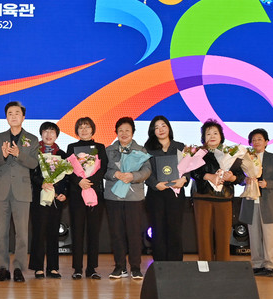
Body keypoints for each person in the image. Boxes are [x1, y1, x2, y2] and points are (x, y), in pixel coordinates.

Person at [0, 101, 39, 283]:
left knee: (22, 233)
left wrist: (19, 154)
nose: (14, 116)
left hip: (22, 191)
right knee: (1, 233)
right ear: (6, 117)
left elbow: (34, 163)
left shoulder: (32, 139)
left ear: (23, 117)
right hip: (1, 190)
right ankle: (2, 268)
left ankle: (18, 268)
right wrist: (2, 156)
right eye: (10, 113)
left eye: (17, 113)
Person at [189, 119, 245, 262]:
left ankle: (223, 267)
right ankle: (205, 266)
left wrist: (232, 177)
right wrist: (208, 176)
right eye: (208, 134)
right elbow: (193, 173)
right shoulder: (198, 153)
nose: (212, 136)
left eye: (215, 133)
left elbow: (240, 176)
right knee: (203, 235)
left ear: (221, 136)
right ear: (203, 137)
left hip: (224, 198)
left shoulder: (231, 153)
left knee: (223, 236)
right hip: (202, 197)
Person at [104, 117, 151, 280]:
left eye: (127, 130)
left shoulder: (141, 150)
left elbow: (147, 171)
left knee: (134, 233)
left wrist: (133, 176)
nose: (124, 133)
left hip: (134, 197)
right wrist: (114, 174)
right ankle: (120, 267)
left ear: (133, 132)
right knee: (116, 233)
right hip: (113, 196)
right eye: (120, 130)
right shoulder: (109, 150)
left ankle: (136, 267)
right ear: (116, 132)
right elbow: (102, 170)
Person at [238, 128, 273, 277]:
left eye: (259, 139)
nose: (256, 142)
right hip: (251, 202)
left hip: (269, 203)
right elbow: (238, 177)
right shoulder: (245, 157)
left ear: (266, 142)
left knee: (269, 238)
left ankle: (269, 266)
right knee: (254, 237)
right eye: (253, 140)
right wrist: (244, 180)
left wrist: (268, 184)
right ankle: (257, 264)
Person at [65, 117, 107, 280]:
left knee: (93, 232)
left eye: (87, 127)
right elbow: (68, 169)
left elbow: (103, 168)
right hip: (77, 194)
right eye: (81, 127)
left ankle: (91, 268)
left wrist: (89, 181)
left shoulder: (100, 147)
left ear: (92, 129)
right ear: (77, 130)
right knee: (77, 231)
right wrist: (79, 181)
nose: (84, 130)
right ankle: (77, 268)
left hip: (95, 194)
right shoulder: (71, 147)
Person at [143, 115, 187, 262]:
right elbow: (145, 171)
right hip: (156, 194)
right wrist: (155, 183)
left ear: (169, 128)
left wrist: (184, 179)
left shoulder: (180, 146)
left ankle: (176, 265)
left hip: (175, 194)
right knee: (158, 231)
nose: (160, 129)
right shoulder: (147, 149)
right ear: (152, 131)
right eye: (156, 127)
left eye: (163, 126)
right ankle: (160, 265)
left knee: (175, 230)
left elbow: (188, 168)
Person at [29, 122, 68, 279]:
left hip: (55, 199)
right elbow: (31, 173)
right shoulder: (34, 153)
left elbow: (66, 177)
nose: (48, 135)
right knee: (38, 232)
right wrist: (42, 183)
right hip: (39, 197)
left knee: (53, 233)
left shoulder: (62, 154)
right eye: (45, 131)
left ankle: (53, 267)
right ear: (41, 134)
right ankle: (38, 267)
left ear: (56, 135)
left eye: (52, 132)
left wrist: (62, 193)